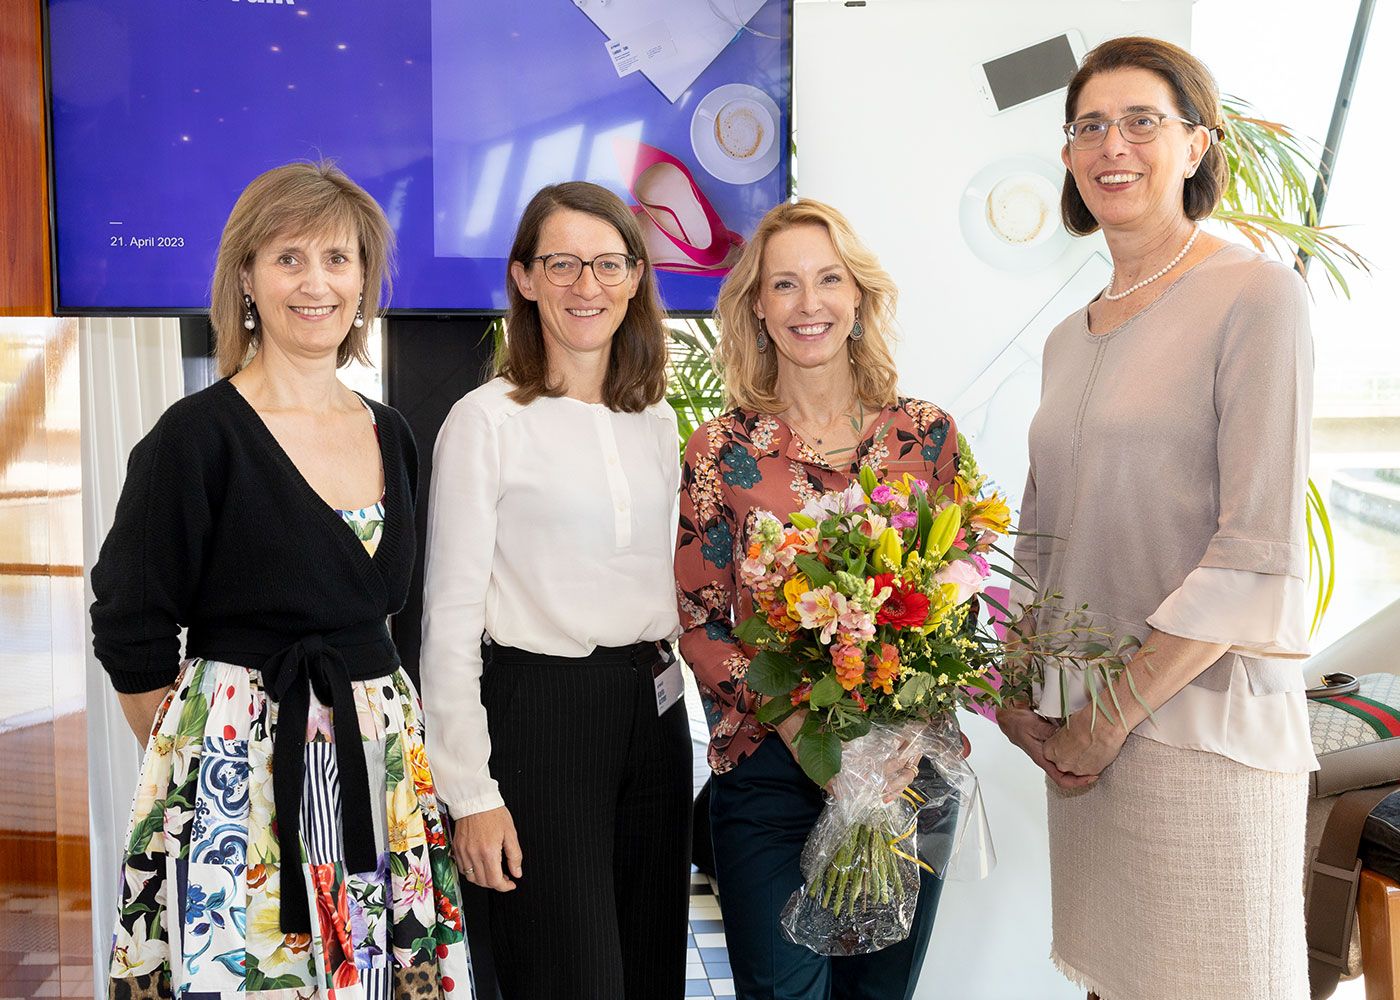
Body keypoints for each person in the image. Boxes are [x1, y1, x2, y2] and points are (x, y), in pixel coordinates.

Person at [91, 162, 471, 998]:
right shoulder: (193, 437)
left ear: (364, 282)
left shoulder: (392, 432)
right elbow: (130, 625)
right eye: (288, 258)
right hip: (239, 776)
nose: (316, 283)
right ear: (247, 278)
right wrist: (209, 758)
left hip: (379, 763)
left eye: (338, 259)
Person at [995, 36, 1316, 1000]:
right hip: (1082, 738)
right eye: (1089, 126)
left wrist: (1111, 717)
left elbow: (1255, 549)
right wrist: (1017, 687)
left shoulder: (1257, 295)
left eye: (1142, 121)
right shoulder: (1067, 336)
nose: (1113, 145)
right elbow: (1043, 532)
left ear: (1197, 145)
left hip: (1198, 735)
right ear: (1067, 156)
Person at [674, 198, 959, 1000]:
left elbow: (956, 600)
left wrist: (897, 737)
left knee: (878, 994)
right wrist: (804, 731)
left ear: (859, 297)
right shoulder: (721, 450)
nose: (810, 304)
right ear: (758, 309)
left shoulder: (926, 437)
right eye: (785, 284)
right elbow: (700, 621)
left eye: (829, 279)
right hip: (769, 769)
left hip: (905, 770)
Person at [420, 181, 690, 999]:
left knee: (649, 975)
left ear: (635, 277)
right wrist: (471, 793)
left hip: (655, 712)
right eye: (562, 264)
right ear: (525, 278)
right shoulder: (486, 420)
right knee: (570, 979)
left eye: (607, 264)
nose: (586, 285)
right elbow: (448, 623)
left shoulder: (656, 418)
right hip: (541, 718)